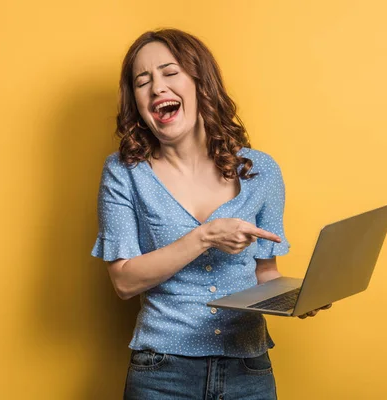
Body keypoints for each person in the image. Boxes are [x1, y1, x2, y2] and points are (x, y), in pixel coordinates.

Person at [91, 28, 331, 400]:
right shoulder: (124, 172)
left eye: (170, 73)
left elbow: (265, 274)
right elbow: (124, 282)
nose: (157, 88)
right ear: (136, 101)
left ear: (202, 84)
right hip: (162, 373)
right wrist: (205, 237)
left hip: (248, 369)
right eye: (143, 81)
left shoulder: (261, 171)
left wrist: (297, 298)